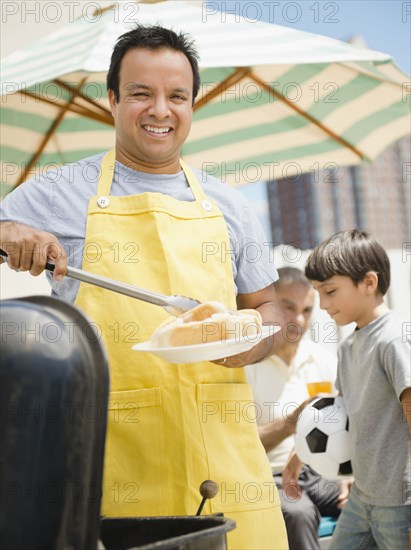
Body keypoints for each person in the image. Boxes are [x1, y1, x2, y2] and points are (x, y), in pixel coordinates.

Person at [0, 25, 288, 549]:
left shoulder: (231, 205)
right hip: (115, 458)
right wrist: (8, 229)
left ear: (192, 104)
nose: (160, 110)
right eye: (140, 93)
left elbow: (269, 307)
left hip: (227, 457)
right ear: (112, 100)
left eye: (176, 95)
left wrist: (254, 341)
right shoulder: (59, 190)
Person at [304, 229, 411, 550]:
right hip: (362, 497)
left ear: (369, 282)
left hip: (399, 501)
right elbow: (341, 415)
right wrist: (299, 453)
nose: (323, 304)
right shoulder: (348, 346)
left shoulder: (394, 338)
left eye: (330, 291)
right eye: (318, 293)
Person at [246, 266, 347, 550]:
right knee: (298, 512)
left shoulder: (323, 360)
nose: (299, 320)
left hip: (322, 473)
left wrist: (347, 477)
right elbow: (241, 446)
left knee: (373, 498)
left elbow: (347, 427)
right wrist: (293, 421)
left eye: (307, 310)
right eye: (288, 307)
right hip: (273, 477)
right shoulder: (247, 365)